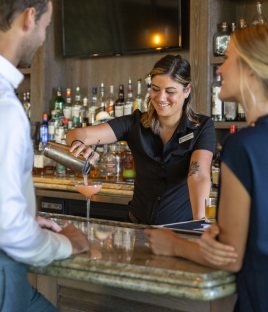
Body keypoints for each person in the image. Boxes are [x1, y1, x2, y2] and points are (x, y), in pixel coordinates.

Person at [144, 25, 268, 312]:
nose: (220, 68)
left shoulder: (243, 146)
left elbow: (230, 258)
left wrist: (173, 244)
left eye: (227, 58)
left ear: (250, 69)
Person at [0, 0, 89, 312]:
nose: (43, 38)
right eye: (47, 27)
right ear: (29, 18)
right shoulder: (6, 108)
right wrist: (65, 243)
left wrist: (24, 215)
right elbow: (9, 230)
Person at [67, 55, 216, 225]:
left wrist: (199, 226)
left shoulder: (201, 127)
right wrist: (78, 143)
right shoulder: (134, 124)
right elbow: (78, 133)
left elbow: (197, 176)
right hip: (137, 230)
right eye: (155, 89)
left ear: (187, 90)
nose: (160, 98)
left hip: (179, 233)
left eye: (170, 91)